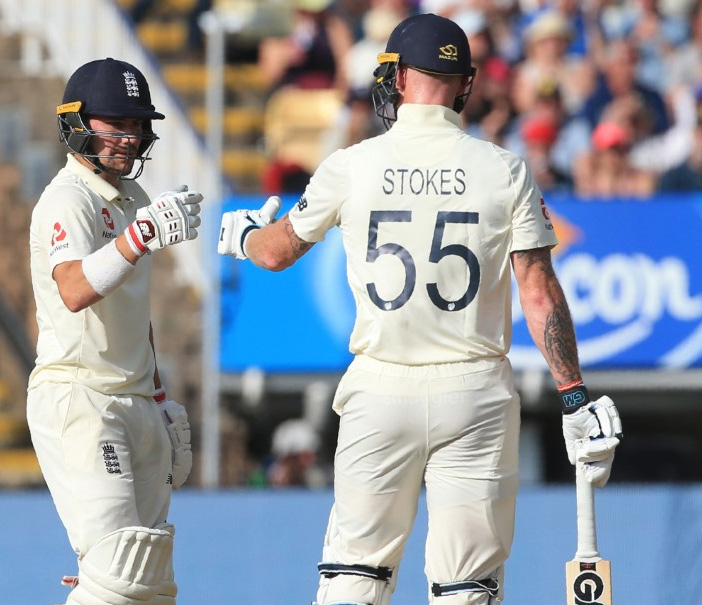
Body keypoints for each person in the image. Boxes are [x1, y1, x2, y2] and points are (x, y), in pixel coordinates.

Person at [218, 14, 622, 605]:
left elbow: (277, 253)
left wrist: (244, 237)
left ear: (401, 78)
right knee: (466, 587)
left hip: (379, 388)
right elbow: (538, 294)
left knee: (354, 580)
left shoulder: (351, 164)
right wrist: (573, 397)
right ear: (466, 84)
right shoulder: (504, 169)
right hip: (475, 392)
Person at [27, 58, 200, 605]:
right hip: (82, 398)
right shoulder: (67, 198)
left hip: (135, 400)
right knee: (117, 577)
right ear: (77, 122)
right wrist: (138, 238)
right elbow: (75, 289)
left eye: (136, 125)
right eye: (115, 124)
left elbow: (133, 310)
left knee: (147, 581)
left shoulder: (135, 201)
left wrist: (160, 396)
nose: (129, 138)